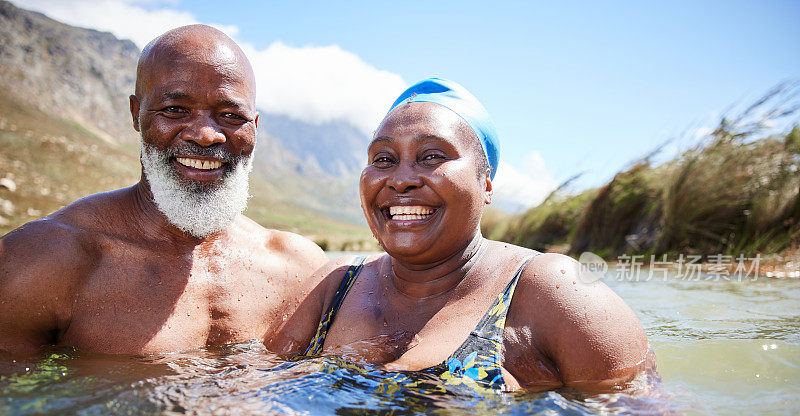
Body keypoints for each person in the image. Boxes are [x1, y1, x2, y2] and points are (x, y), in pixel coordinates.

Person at [267, 78, 650, 392]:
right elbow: (258, 397)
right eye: (383, 159)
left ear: (486, 183)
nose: (400, 179)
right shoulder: (335, 286)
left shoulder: (556, 293)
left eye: (432, 156)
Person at [0, 25, 326, 355]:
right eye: (175, 110)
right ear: (135, 113)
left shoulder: (299, 270)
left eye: (230, 115)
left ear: (254, 127)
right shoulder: (41, 262)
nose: (205, 135)